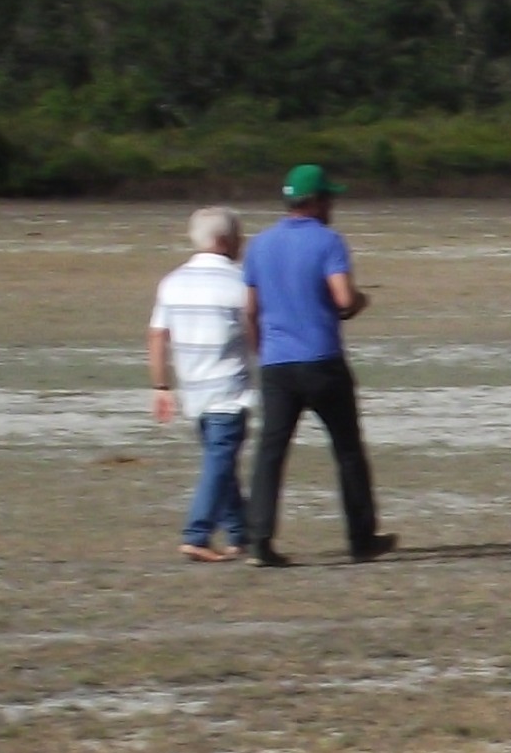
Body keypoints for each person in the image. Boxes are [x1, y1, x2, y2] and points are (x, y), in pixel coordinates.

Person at [240, 163, 393, 567]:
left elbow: (250, 311)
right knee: (346, 450)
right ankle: (361, 537)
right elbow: (342, 299)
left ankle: (259, 538)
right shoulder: (328, 242)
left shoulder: (259, 245)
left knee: (270, 453)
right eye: (330, 198)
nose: (333, 205)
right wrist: (360, 302)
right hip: (321, 360)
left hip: (277, 365)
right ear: (317, 202)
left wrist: (262, 355)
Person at [147, 206, 255, 562]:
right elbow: (257, 332)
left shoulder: (172, 281)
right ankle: (197, 533)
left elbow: (158, 335)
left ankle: (242, 534)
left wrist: (161, 386)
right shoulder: (240, 282)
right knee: (219, 462)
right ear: (226, 241)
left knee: (220, 462)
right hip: (228, 388)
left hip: (192, 389)